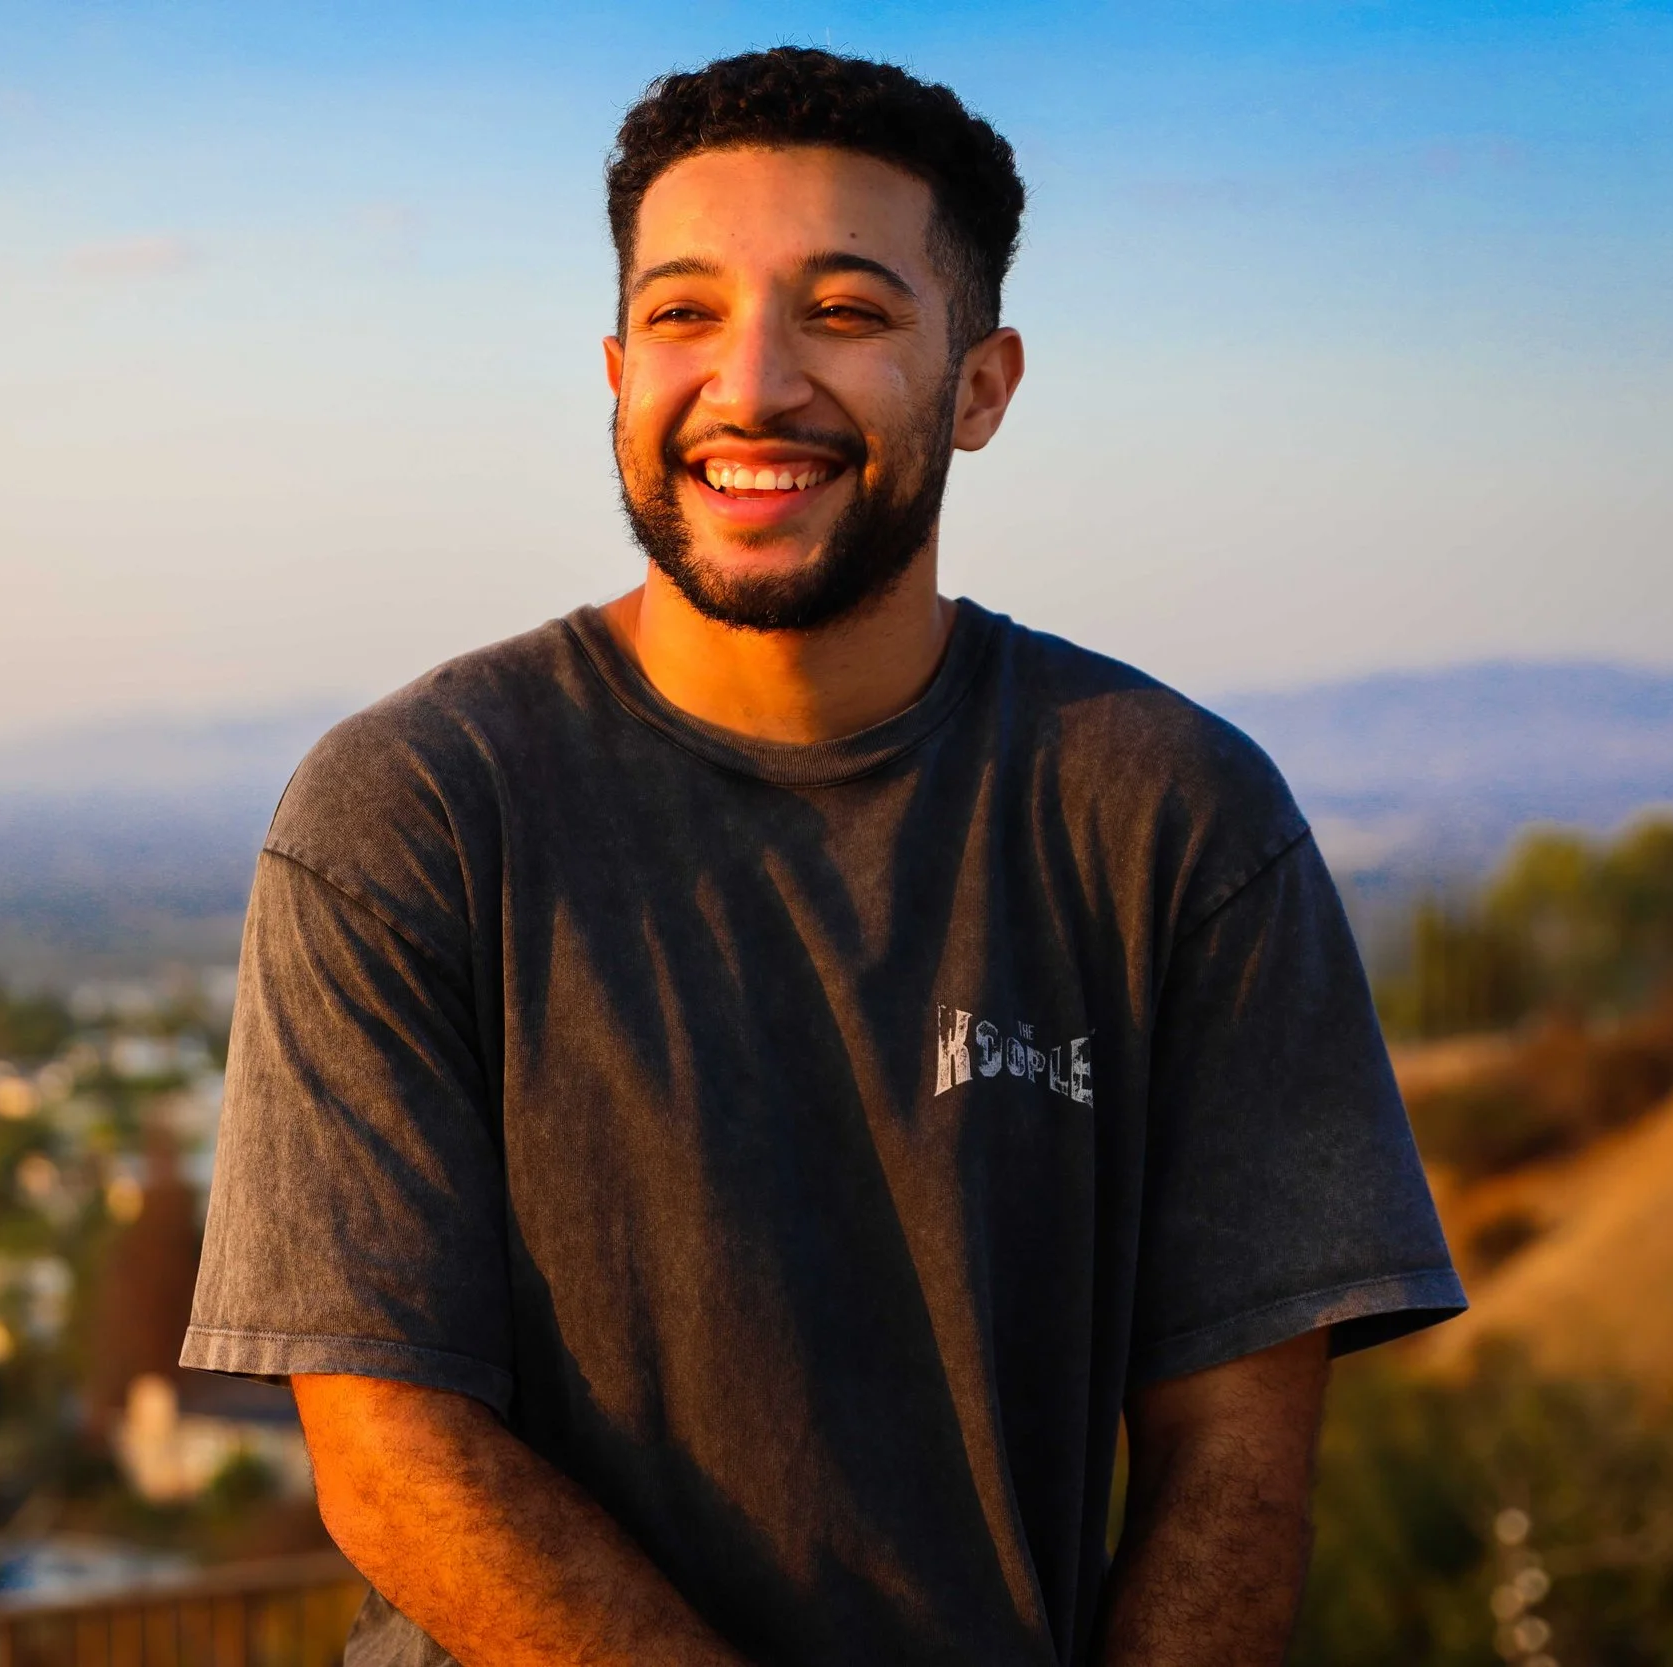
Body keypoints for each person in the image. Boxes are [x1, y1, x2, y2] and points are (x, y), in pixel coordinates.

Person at [181, 46, 1463, 1667]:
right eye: (686, 313)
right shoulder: (411, 811)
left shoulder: (1174, 818)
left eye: (846, 313)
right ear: (616, 365)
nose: (754, 382)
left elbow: (1236, 1469)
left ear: (981, 386)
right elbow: (389, 1459)